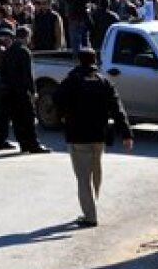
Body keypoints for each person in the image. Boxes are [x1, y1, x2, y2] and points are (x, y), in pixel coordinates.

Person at [52, 48, 134, 228]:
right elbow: (118, 109)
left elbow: (56, 98)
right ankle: (93, 203)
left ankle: (90, 215)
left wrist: (64, 114)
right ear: (95, 60)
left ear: (79, 61)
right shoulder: (104, 81)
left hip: (77, 136)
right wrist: (126, 133)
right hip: (99, 136)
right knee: (95, 171)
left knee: (83, 178)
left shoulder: (72, 80)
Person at [0, 26, 51, 154]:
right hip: (21, 91)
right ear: (27, 36)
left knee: (17, 120)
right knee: (28, 119)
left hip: (10, 91)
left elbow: (3, 70)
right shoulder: (24, 51)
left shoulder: (8, 50)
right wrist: (33, 91)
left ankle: (23, 144)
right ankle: (33, 145)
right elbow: (27, 74)